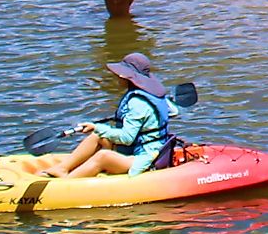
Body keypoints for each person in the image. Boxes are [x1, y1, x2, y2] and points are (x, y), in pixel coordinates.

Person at [34, 54, 175, 180]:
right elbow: (173, 111)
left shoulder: (138, 103)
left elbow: (127, 138)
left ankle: (65, 185)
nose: (117, 77)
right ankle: (62, 168)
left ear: (126, 77)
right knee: (97, 136)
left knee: (103, 156)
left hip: (146, 158)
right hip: (142, 149)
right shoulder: (157, 95)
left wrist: (97, 126)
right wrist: (99, 129)